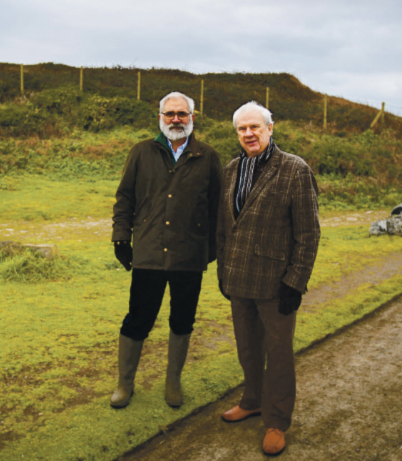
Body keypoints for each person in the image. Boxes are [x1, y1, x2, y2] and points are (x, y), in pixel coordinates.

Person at [216, 101, 321, 455]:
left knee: (278, 355)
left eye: (255, 127)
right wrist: (222, 272)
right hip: (238, 279)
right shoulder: (231, 170)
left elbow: (308, 233)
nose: (248, 134)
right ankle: (252, 400)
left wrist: (296, 280)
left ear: (270, 128)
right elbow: (224, 228)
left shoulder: (295, 169)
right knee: (248, 348)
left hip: (277, 284)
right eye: (242, 129)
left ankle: (276, 420)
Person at [110, 91, 223, 409]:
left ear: (192, 117)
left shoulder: (209, 157)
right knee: (137, 320)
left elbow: (218, 208)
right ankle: (125, 384)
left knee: (182, 320)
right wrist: (121, 238)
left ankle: (173, 382)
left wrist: (210, 249)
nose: (176, 119)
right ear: (160, 117)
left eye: (182, 114)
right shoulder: (141, 152)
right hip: (148, 253)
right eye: (170, 114)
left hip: (189, 256)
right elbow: (125, 199)